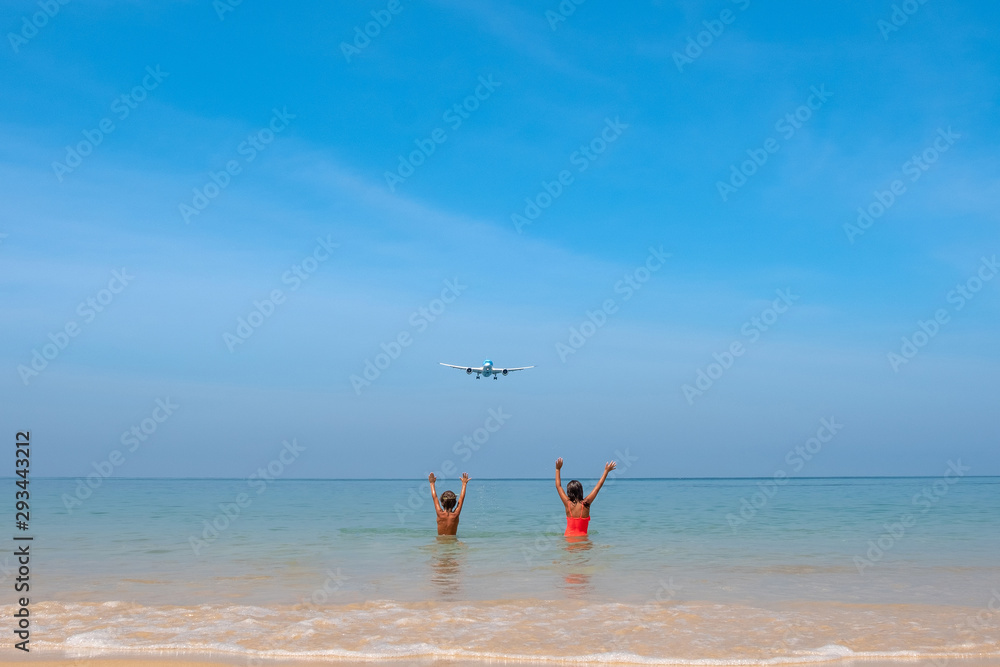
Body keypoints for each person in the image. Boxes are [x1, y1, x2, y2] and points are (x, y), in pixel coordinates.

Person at [555, 458, 616, 537]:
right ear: (581, 491)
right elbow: (598, 487)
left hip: (568, 540)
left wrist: (557, 469)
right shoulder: (586, 503)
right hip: (583, 541)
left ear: (569, 492)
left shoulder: (567, 504)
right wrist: (606, 471)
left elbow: (558, 486)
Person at [428, 472, 469, 536]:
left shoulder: (440, 513)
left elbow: (435, 497)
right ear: (455, 503)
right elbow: (461, 498)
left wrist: (432, 483)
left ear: (442, 503)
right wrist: (464, 484)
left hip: (440, 543)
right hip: (453, 543)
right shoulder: (456, 515)